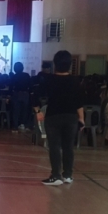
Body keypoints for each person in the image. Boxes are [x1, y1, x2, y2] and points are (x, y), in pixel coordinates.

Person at [34, 50, 84, 186]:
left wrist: (38, 111)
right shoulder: (75, 81)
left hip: (53, 117)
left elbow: (36, 95)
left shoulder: (49, 79)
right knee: (68, 147)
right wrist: (81, 118)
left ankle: (56, 175)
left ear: (55, 64)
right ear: (70, 64)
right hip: (71, 117)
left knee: (54, 146)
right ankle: (68, 175)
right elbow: (79, 102)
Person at [10, 62, 31, 132]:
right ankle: (23, 124)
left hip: (17, 94)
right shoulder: (27, 75)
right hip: (25, 93)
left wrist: (10, 95)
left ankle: (15, 126)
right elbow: (30, 85)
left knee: (16, 110)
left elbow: (11, 86)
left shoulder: (14, 76)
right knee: (25, 110)